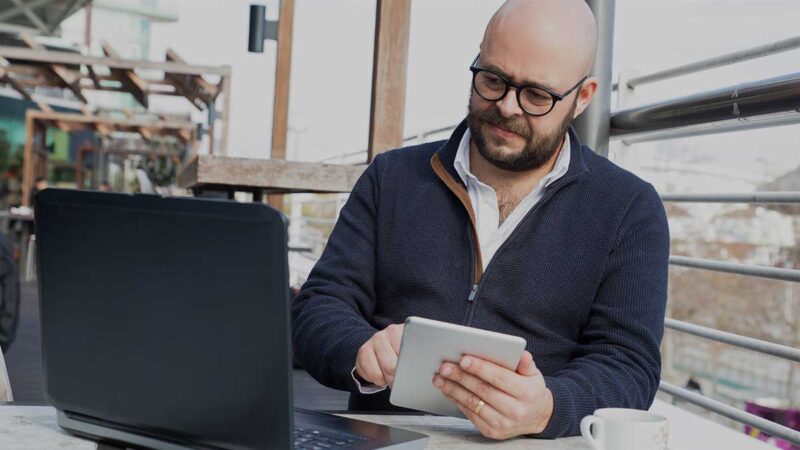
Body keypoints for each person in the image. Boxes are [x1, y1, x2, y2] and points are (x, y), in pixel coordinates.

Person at [292, 0, 669, 440]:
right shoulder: (391, 178)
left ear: (582, 98)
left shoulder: (629, 209)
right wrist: (358, 351)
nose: (507, 106)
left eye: (536, 95)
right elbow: (319, 307)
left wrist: (548, 408)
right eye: (492, 79)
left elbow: (629, 365)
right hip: (387, 437)